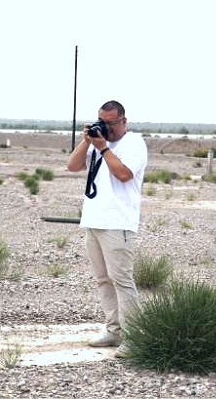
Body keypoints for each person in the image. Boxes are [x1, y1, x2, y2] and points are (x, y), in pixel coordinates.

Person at [67, 100, 148, 358]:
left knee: (122, 280)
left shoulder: (134, 143)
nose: (107, 128)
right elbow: (72, 166)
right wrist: (87, 141)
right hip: (94, 220)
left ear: (123, 121)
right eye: (103, 122)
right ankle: (113, 330)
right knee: (103, 280)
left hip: (118, 223)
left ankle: (134, 337)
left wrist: (103, 148)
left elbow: (123, 174)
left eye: (111, 123)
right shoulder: (98, 143)